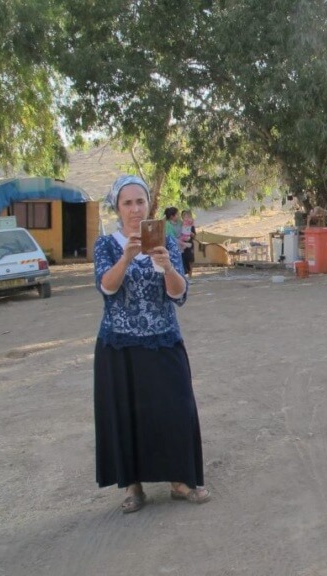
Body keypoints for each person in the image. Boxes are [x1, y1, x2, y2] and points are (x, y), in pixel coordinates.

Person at [93, 175, 210, 513]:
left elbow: (178, 293)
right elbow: (107, 287)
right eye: (127, 203)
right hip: (120, 346)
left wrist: (168, 266)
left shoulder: (164, 240)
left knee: (177, 407)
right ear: (117, 208)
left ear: (149, 206)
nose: (134, 209)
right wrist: (126, 258)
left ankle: (180, 480)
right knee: (128, 415)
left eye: (140, 202)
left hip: (162, 339)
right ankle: (133, 486)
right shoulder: (106, 244)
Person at [179, 210, 196, 278]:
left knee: (190, 259)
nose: (185, 217)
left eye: (187, 216)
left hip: (190, 244)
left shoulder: (191, 225)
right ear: (182, 217)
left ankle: (190, 275)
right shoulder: (180, 225)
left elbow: (194, 235)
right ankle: (184, 275)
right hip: (182, 244)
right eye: (184, 216)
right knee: (183, 259)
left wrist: (191, 234)